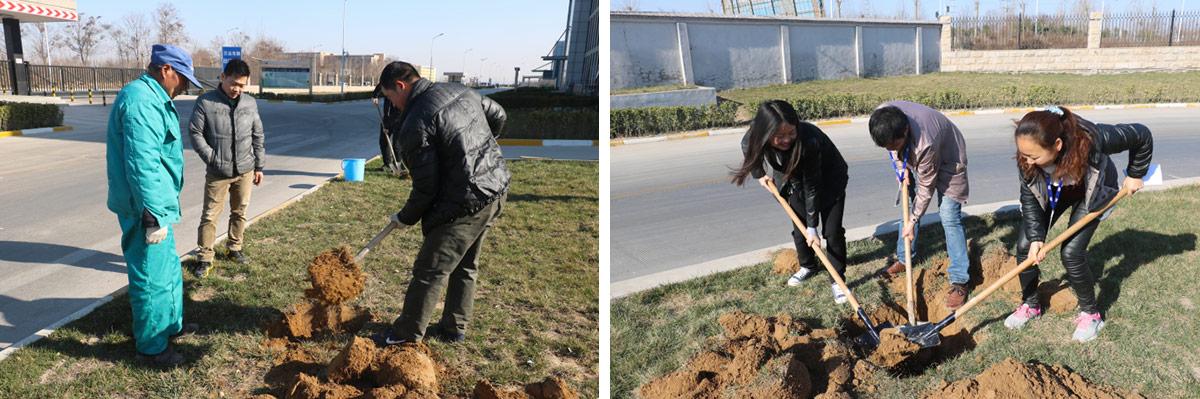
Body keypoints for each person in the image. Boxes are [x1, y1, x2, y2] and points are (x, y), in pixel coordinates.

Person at [369, 61, 509, 346]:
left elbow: (426, 188)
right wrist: (482, 149)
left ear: (401, 86)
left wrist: (405, 217)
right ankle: (453, 328)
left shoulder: (415, 122)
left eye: (390, 97)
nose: (392, 105)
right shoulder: (461, 90)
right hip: (496, 187)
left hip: (464, 202)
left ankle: (406, 335)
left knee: (430, 270)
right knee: (465, 263)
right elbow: (499, 114)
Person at [1004, 105, 1151, 343]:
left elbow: (1141, 135)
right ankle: (1031, 305)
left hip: (1091, 194)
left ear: (1058, 145)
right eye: (1024, 155)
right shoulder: (1026, 156)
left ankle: (1091, 314)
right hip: (1055, 191)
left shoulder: (1093, 138)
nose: (1027, 162)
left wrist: (1136, 173)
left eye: (1034, 156)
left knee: (1071, 253)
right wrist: (1035, 236)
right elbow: (1029, 198)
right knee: (1025, 246)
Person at [105, 44, 204, 366]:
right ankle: (151, 347)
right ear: (166, 71)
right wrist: (152, 213)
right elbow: (141, 161)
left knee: (169, 271)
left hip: (159, 203)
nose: (186, 86)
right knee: (151, 278)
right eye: (183, 79)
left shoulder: (152, 97)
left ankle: (169, 326)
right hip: (146, 207)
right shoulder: (141, 101)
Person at [732, 100, 850, 304]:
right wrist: (759, 174)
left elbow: (812, 185)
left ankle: (837, 281)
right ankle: (808, 266)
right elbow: (746, 146)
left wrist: (813, 228)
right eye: (779, 137)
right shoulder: (754, 136)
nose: (787, 140)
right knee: (799, 227)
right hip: (792, 178)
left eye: (791, 133)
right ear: (765, 133)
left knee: (832, 231)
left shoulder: (809, 140)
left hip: (829, 178)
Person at [869, 100, 971, 310]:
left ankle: (960, 279)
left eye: (895, 145)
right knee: (906, 203)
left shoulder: (926, 143)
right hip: (916, 150)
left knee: (949, 215)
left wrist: (914, 221)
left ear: (905, 130)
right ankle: (905, 259)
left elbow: (927, 187)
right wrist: (900, 166)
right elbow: (893, 151)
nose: (891, 149)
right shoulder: (882, 116)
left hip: (949, 157)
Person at [187, 58, 265, 278]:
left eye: (242, 85)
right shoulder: (205, 102)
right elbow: (195, 133)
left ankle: (235, 248)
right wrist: (212, 158)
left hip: (245, 170)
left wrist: (259, 165)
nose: (237, 89)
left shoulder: (249, 103)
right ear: (223, 77)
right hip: (217, 173)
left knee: (240, 212)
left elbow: (257, 135)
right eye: (234, 83)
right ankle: (204, 257)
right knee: (210, 216)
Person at [372, 89, 403, 173]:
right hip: (387, 120)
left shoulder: (400, 96)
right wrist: (375, 95)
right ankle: (387, 164)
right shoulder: (388, 88)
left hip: (399, 122)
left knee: (396, 146)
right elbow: (381, 85)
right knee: (383, 141)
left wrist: (388, 126)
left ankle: (399, 166)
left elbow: (398, 114)